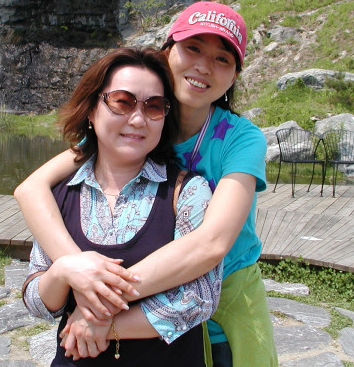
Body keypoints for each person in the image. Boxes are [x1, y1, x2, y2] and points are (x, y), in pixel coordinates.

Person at [15, 2, 277, 366]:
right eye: (193, 48)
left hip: (226, 293)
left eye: (222, 59)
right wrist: (73, 269)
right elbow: (31, 189)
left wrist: (100, 297)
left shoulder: (240, 139)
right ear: (167, 52)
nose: (203, 66)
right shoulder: (131, 127)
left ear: (234, 76)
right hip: (145, 299)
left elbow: (212, 242)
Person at [21, 47, 221, 366]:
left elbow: (200, 297)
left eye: (153, 106)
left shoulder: (187, 192)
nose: (138, 119)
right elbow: (37, 300)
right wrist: (63, 270)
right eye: (122, 102)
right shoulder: (60, 194)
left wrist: (102, 325)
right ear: (91, 109)